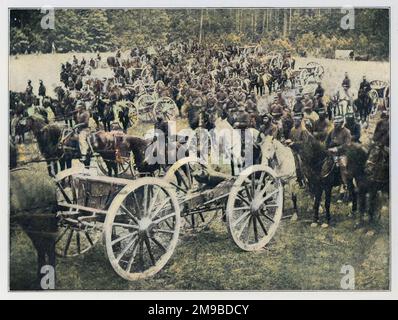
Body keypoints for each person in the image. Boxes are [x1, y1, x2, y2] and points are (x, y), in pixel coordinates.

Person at [325, 116, 352, 197]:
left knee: (342, 165)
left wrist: (337, 149)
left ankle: (345, 185)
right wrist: (326, 148)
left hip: (343, 153)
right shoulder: (332, 131)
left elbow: (347, 145)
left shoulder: (346, 132)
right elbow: (327, 141)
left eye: (337, 123)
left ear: (341, 123)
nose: (335, 125)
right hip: (331, 152)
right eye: (334, 123)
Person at [75, 102, 91, 167]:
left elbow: (86, 123)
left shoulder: (86, 113)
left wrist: (77, 125)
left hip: (85, 129)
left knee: (82, 140)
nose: (77, 109)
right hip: (79, 129)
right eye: (77, 108)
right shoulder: (78, 114)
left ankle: (84, 154)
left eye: (79, 107)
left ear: (82, 107)